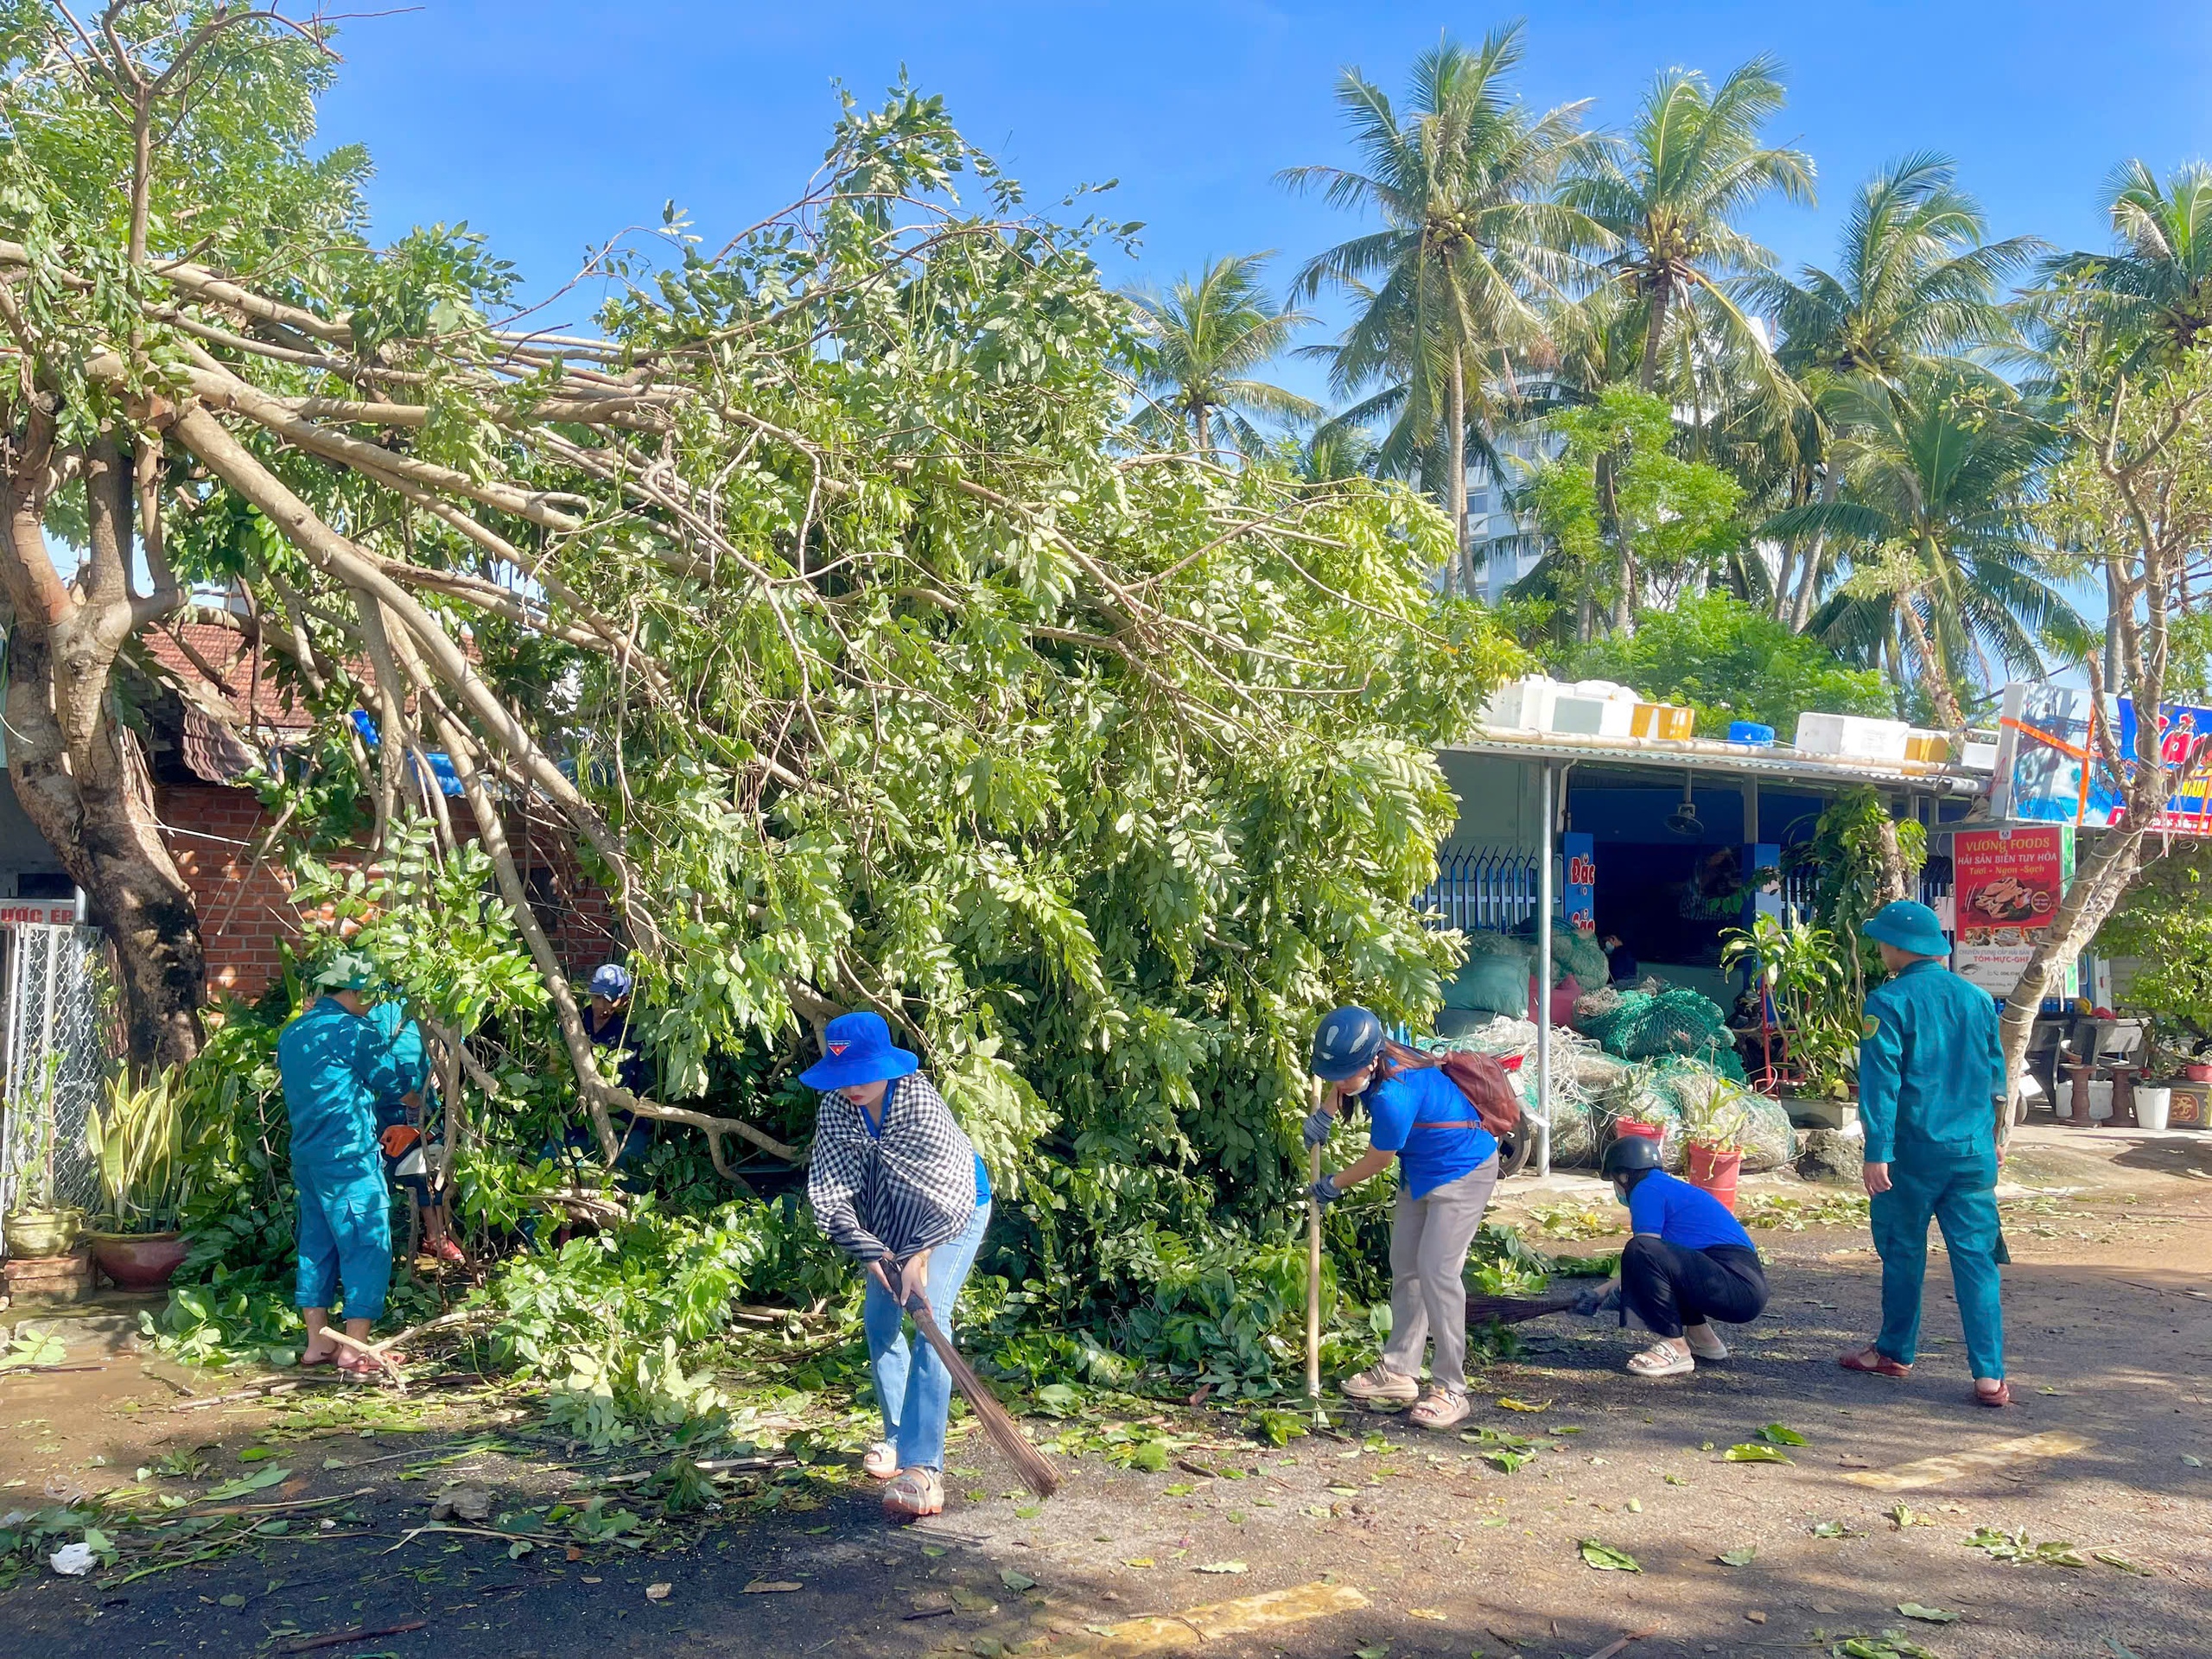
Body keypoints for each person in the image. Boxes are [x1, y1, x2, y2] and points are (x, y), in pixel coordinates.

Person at [804, 1011, 992, 1521]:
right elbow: (831, 1187)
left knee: (930, 1319)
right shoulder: (837, 1109)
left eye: (862, 1072)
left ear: (887, 1065)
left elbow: (948, 1191)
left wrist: (920, 1256)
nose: (852, 1085)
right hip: (881, 1221)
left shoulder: (919, 1103)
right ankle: (896, 1436)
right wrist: (871, 1252)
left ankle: (924, 1468)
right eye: (842, 1075)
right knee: (882, 1321)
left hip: (951, 1214)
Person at [1838, 899, 2012, 1408]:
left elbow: (1881, 1084)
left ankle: (1894, 1351)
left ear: (1897, 947)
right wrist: (1994, 1142)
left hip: (1912, 1154)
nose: (1880, 951)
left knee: (1903, 1251)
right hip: (1973, 1150)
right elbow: (1997, 1079)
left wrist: (1877, 1151)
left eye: (1882, 942)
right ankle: (1990, 1377)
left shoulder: (1887, 1002)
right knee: (1977, 1260)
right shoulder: (1978, 999)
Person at [1306, 1005, 1499, 1430]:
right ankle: (1399, 1372)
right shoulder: (1373, 1061)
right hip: (1422, 1170)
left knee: (1437, 1273)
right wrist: (1325, 1113)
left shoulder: (1395, 1094)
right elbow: (1346, 1082)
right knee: (1406, 1266)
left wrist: (1332, 1184)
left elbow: (1377, 1160)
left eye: (1343, 1074)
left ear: (1371, 1061)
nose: (1336, 1083)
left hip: (1463, 1169)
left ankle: (1451, 1387)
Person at [276, 951, 410, 1378]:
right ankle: (356, 1352)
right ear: (353, 990)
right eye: (369, 993)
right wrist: (420, 1096)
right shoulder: (356, 1032)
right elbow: (392, 1084)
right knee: (367, 1241)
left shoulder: (294, 1032)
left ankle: (317, 1343)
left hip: (308, 1154)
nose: (373, 1002)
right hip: (348, 1156)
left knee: (317, 1243)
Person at [1575, 1135, 1768, 1377]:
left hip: (1732, 1283)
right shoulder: (1668, 1186)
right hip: (1743, 1285)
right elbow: (1662, 1265)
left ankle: (1676, 1347)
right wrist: (1599, 1294)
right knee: (1659, 1262)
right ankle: (1703, 1340)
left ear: (1624, 1175)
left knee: (1639, 1247)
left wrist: (1605, 1294)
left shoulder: (1646, 1189)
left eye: (1614, 1179)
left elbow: (1644, 1254)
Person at [367, 998, 466, 1267]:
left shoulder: (428, 992)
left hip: (422, 1096)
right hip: (377, 1100)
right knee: (375, 1166)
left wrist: (444, 1063)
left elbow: (455, 1034)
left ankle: (436, 1237)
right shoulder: (369, 995)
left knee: (427, 1165)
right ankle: (374, 1242)